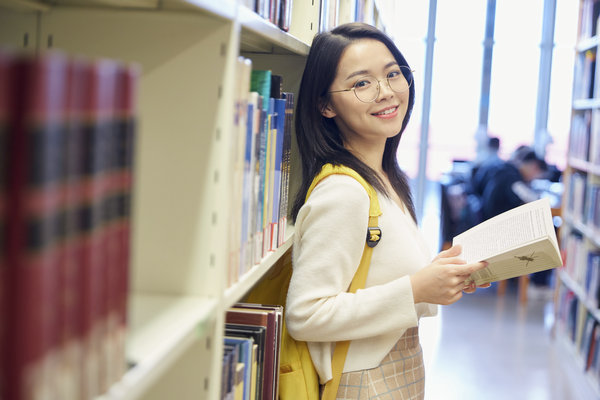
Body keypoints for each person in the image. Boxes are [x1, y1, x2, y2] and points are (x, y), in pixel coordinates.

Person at [285, 22, 489, 399]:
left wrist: (441, 279)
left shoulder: (385, 178)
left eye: (393, 74)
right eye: (362, 83)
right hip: (364, 379)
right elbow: (306, 314)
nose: (387, 92)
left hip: (399, 363)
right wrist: (416, 288)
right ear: (326, 105)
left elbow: (382, 282)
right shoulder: (344, 191)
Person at [479, 147, 548, 221]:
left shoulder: (507, 168)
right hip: (495, 221)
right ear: (534, 167)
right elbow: (530, 198)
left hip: (488, 215)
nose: (532, 179)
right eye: (536, 176)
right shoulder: (512, 176)